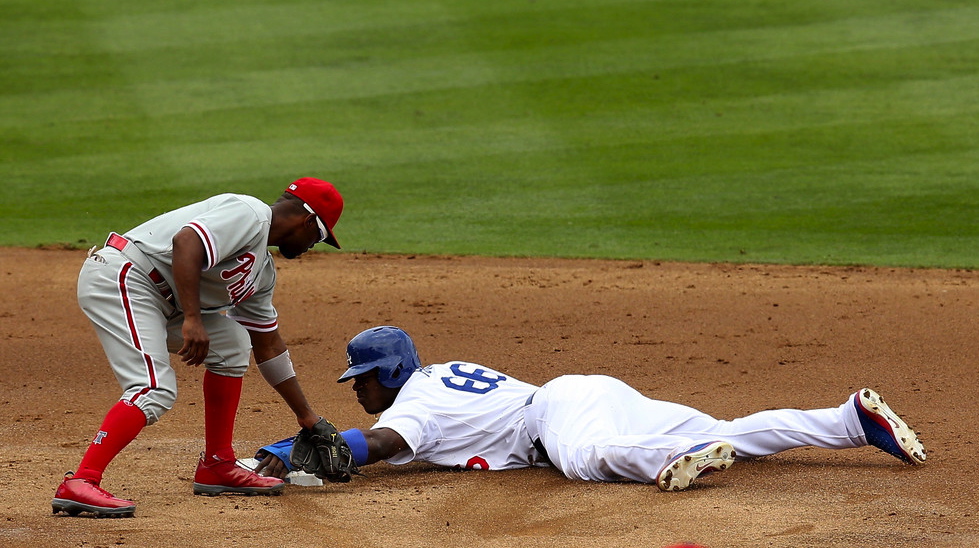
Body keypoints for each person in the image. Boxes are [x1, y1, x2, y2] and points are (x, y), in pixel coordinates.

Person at [253, 325, 926, 491]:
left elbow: (386, 443)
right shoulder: (437, 377)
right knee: (728, 432)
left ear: (394, 372)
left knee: (583, 461)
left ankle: (673, 459)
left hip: (560, 416)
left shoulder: (417, 402)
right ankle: (844, 420)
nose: (358, 389)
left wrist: (294, 452)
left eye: (366, 379)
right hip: (590, 392)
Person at [52, 177, 347, 518]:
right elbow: (186, 241)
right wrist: (193, 318)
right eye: (321, 236)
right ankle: (81, 481)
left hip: (163, 301)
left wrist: (308, 418)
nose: (315, 246)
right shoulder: (250, 213)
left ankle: (217, 463)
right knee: (153, 388)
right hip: (125, 276)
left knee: (234, 343)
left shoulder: (262, 273)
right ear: (308, 220)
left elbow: (268, 345)